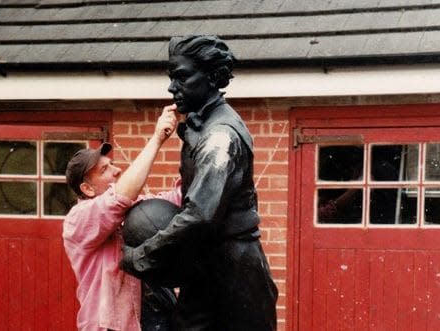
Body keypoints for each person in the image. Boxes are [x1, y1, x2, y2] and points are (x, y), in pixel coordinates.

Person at [121, 35, 278, 331]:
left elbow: (199, 216)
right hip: (208, 267)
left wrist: (141, 256)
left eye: (181, 77)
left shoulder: (220, 137)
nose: (171, 87)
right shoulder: (200, 125)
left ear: (212, 77)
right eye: (171, 77)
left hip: (236, 274)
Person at [62, 105, 180, 331]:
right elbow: (120, 197)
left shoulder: (130, 207)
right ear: (87, 189)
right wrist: (156, 139)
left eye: (112, 164)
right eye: (105, 169)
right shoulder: (77, 221)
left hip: (154, 318)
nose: (116, 171)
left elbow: (174, 199)